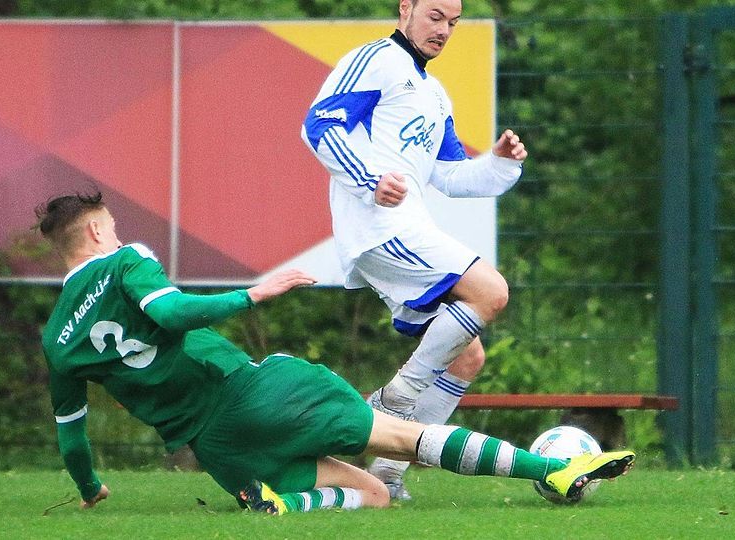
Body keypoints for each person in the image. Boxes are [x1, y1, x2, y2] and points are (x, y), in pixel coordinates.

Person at [37, 191, 634, 514]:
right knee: (401, 437)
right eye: (110, 227)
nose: (114, 234)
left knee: (372, 496)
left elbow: (72, 438)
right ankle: (555, 470)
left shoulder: (56, 340)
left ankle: (287, 503)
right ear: (95, 232)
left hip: (217, 450)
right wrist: (252, 294)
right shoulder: (124, 260)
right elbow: (169, 313)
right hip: (254, 393)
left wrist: (91, 491)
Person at [301, 0, 527, 499]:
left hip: (403, 226)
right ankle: (394, 400)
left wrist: (499, 163)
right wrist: (369, 179)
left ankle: (384, 474)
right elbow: (319, 124)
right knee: (490, 291)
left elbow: (450, 174)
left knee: (467, 357)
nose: (444, 30)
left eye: (453, 22)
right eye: (434, 16)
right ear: (406, 8)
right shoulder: (376, 60)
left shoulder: (435, 93)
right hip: (378, 227)